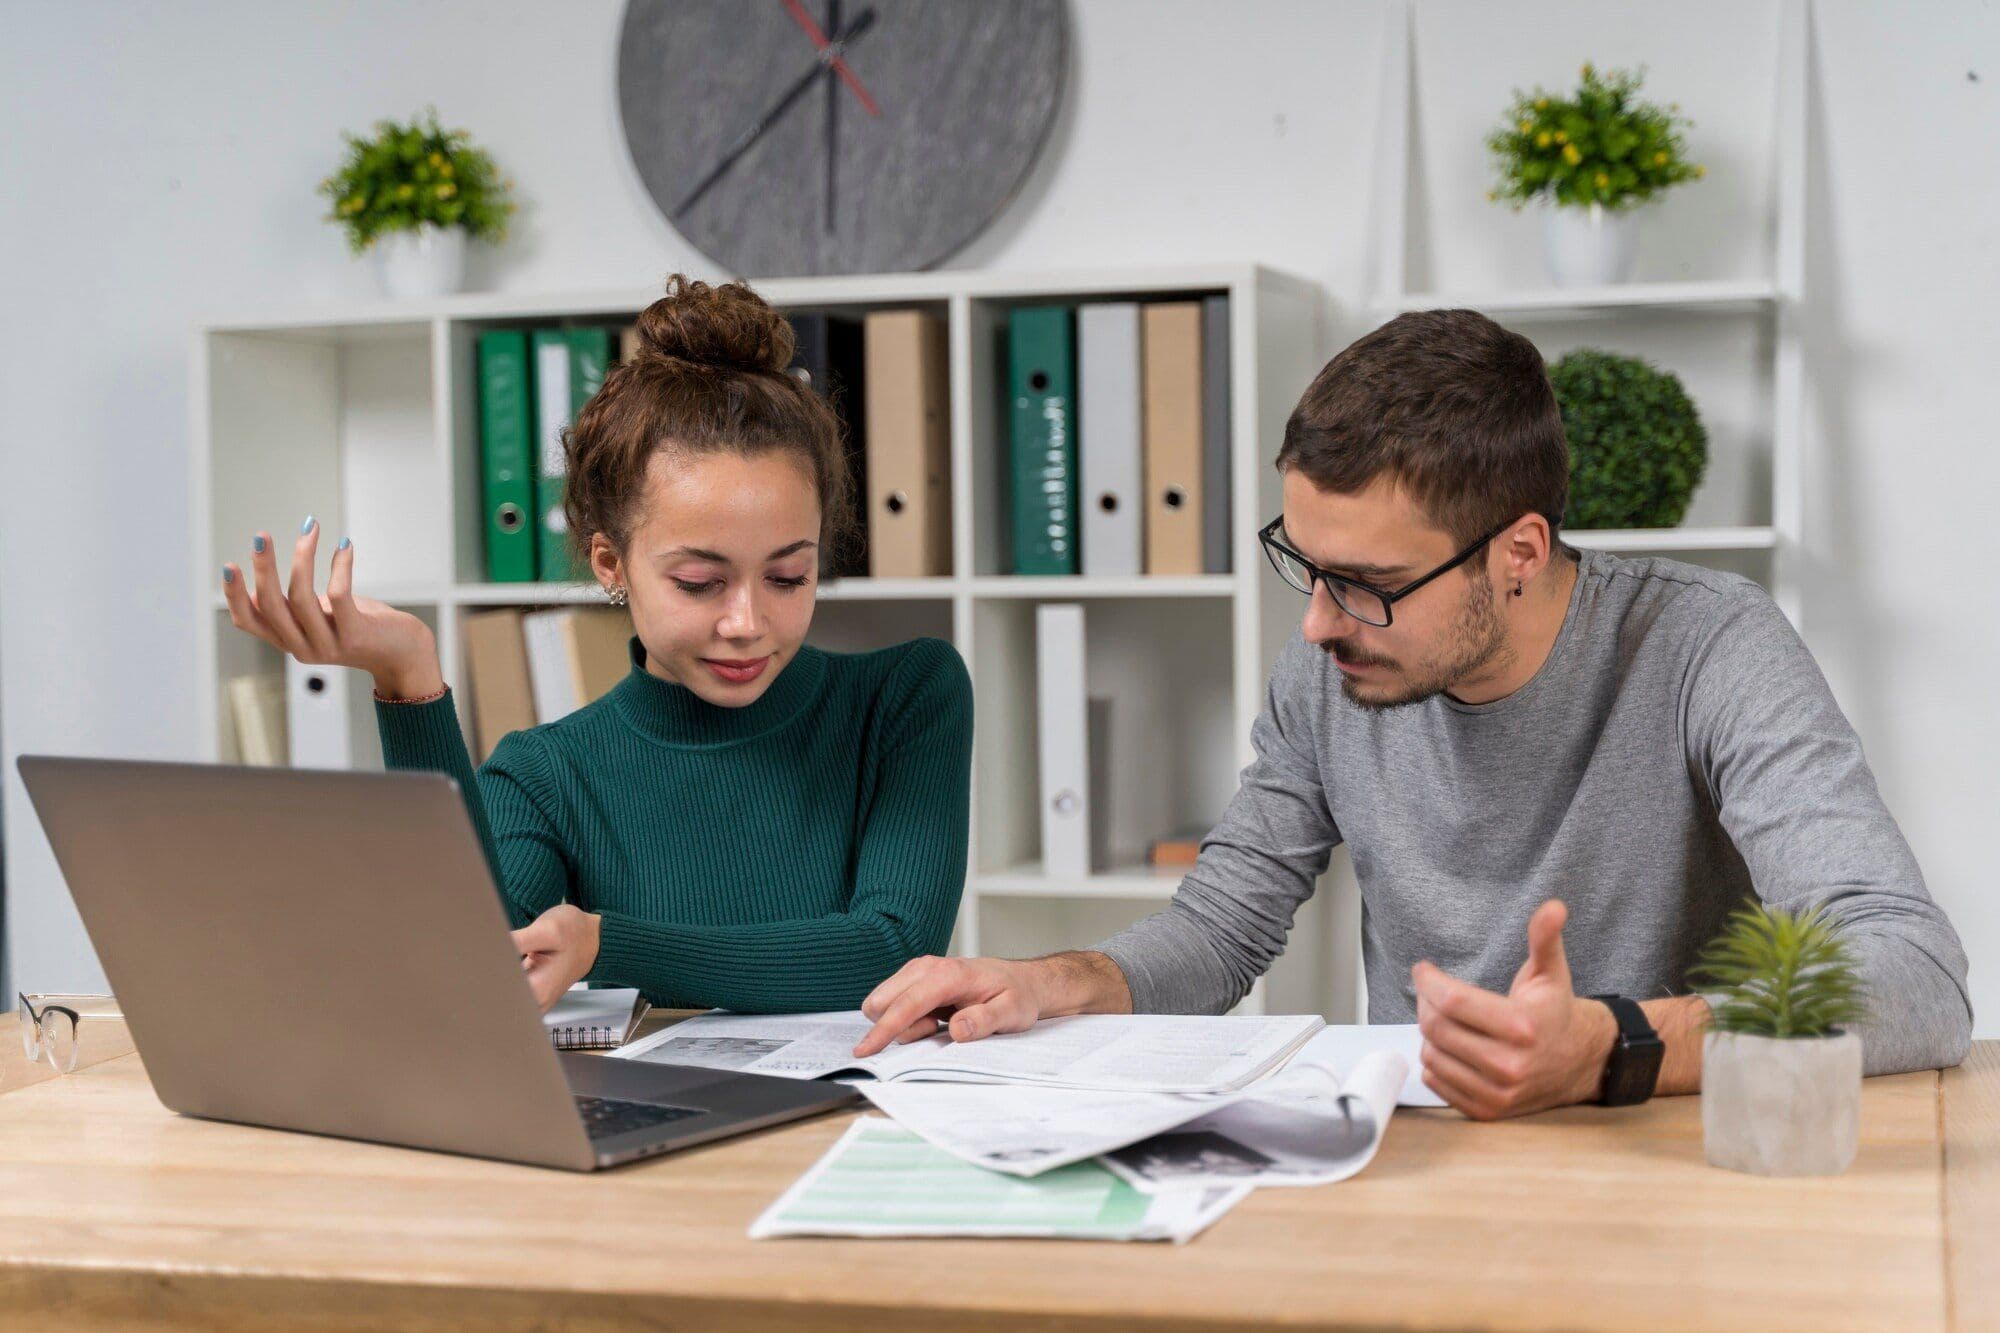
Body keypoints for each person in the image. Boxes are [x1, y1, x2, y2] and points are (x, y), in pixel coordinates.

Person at [854, 307, 1972, 1118]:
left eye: (1368, 585)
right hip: (1418, 1161)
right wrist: (1049, 982)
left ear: (1518, 553)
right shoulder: (1337, 668)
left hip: (1664, 1161)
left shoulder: (1708, 648)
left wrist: (1608, 1047)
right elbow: (1218, 929)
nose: (1317, 626)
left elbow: (1913, 981)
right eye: (1306, 564)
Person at [222, 275, 973, 1014]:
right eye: (700, 582)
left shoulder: (905, 696)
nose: (748, 620)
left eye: (788, 575)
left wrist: (605, 942)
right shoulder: (544, 775)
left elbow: (891, 952)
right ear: (611, 562)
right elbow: (470, 961)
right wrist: (406, 674)